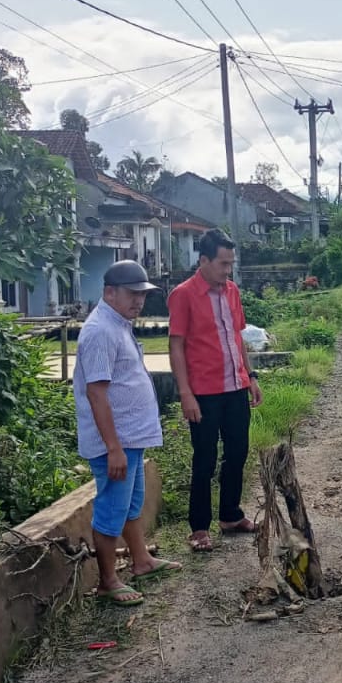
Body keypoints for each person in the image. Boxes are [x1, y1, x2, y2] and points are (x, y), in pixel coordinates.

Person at [74, 260, 180, 605]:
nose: (139, 301)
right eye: (132, 294)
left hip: (129, 439)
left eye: (142, 295)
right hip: (114, 444)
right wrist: (113, 447)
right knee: (111, 509)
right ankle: (107, 581)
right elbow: (96, 393)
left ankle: (142, 561)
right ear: (109, 292)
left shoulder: (118, 324)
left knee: (130, 505)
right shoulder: (100, 331)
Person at [168, 229, 263, 552]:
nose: (227, 271)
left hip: (235, 386)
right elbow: (176, 345)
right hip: (204, 393)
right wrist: (185, 394)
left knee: (237, 452)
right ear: (204, 260)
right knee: (205, 459)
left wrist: (250, 376)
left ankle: (231, 515)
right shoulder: (183, 295)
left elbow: (238, 337)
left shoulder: (232, 291)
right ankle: (198, 527)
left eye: (230, 264)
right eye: (223, 264)